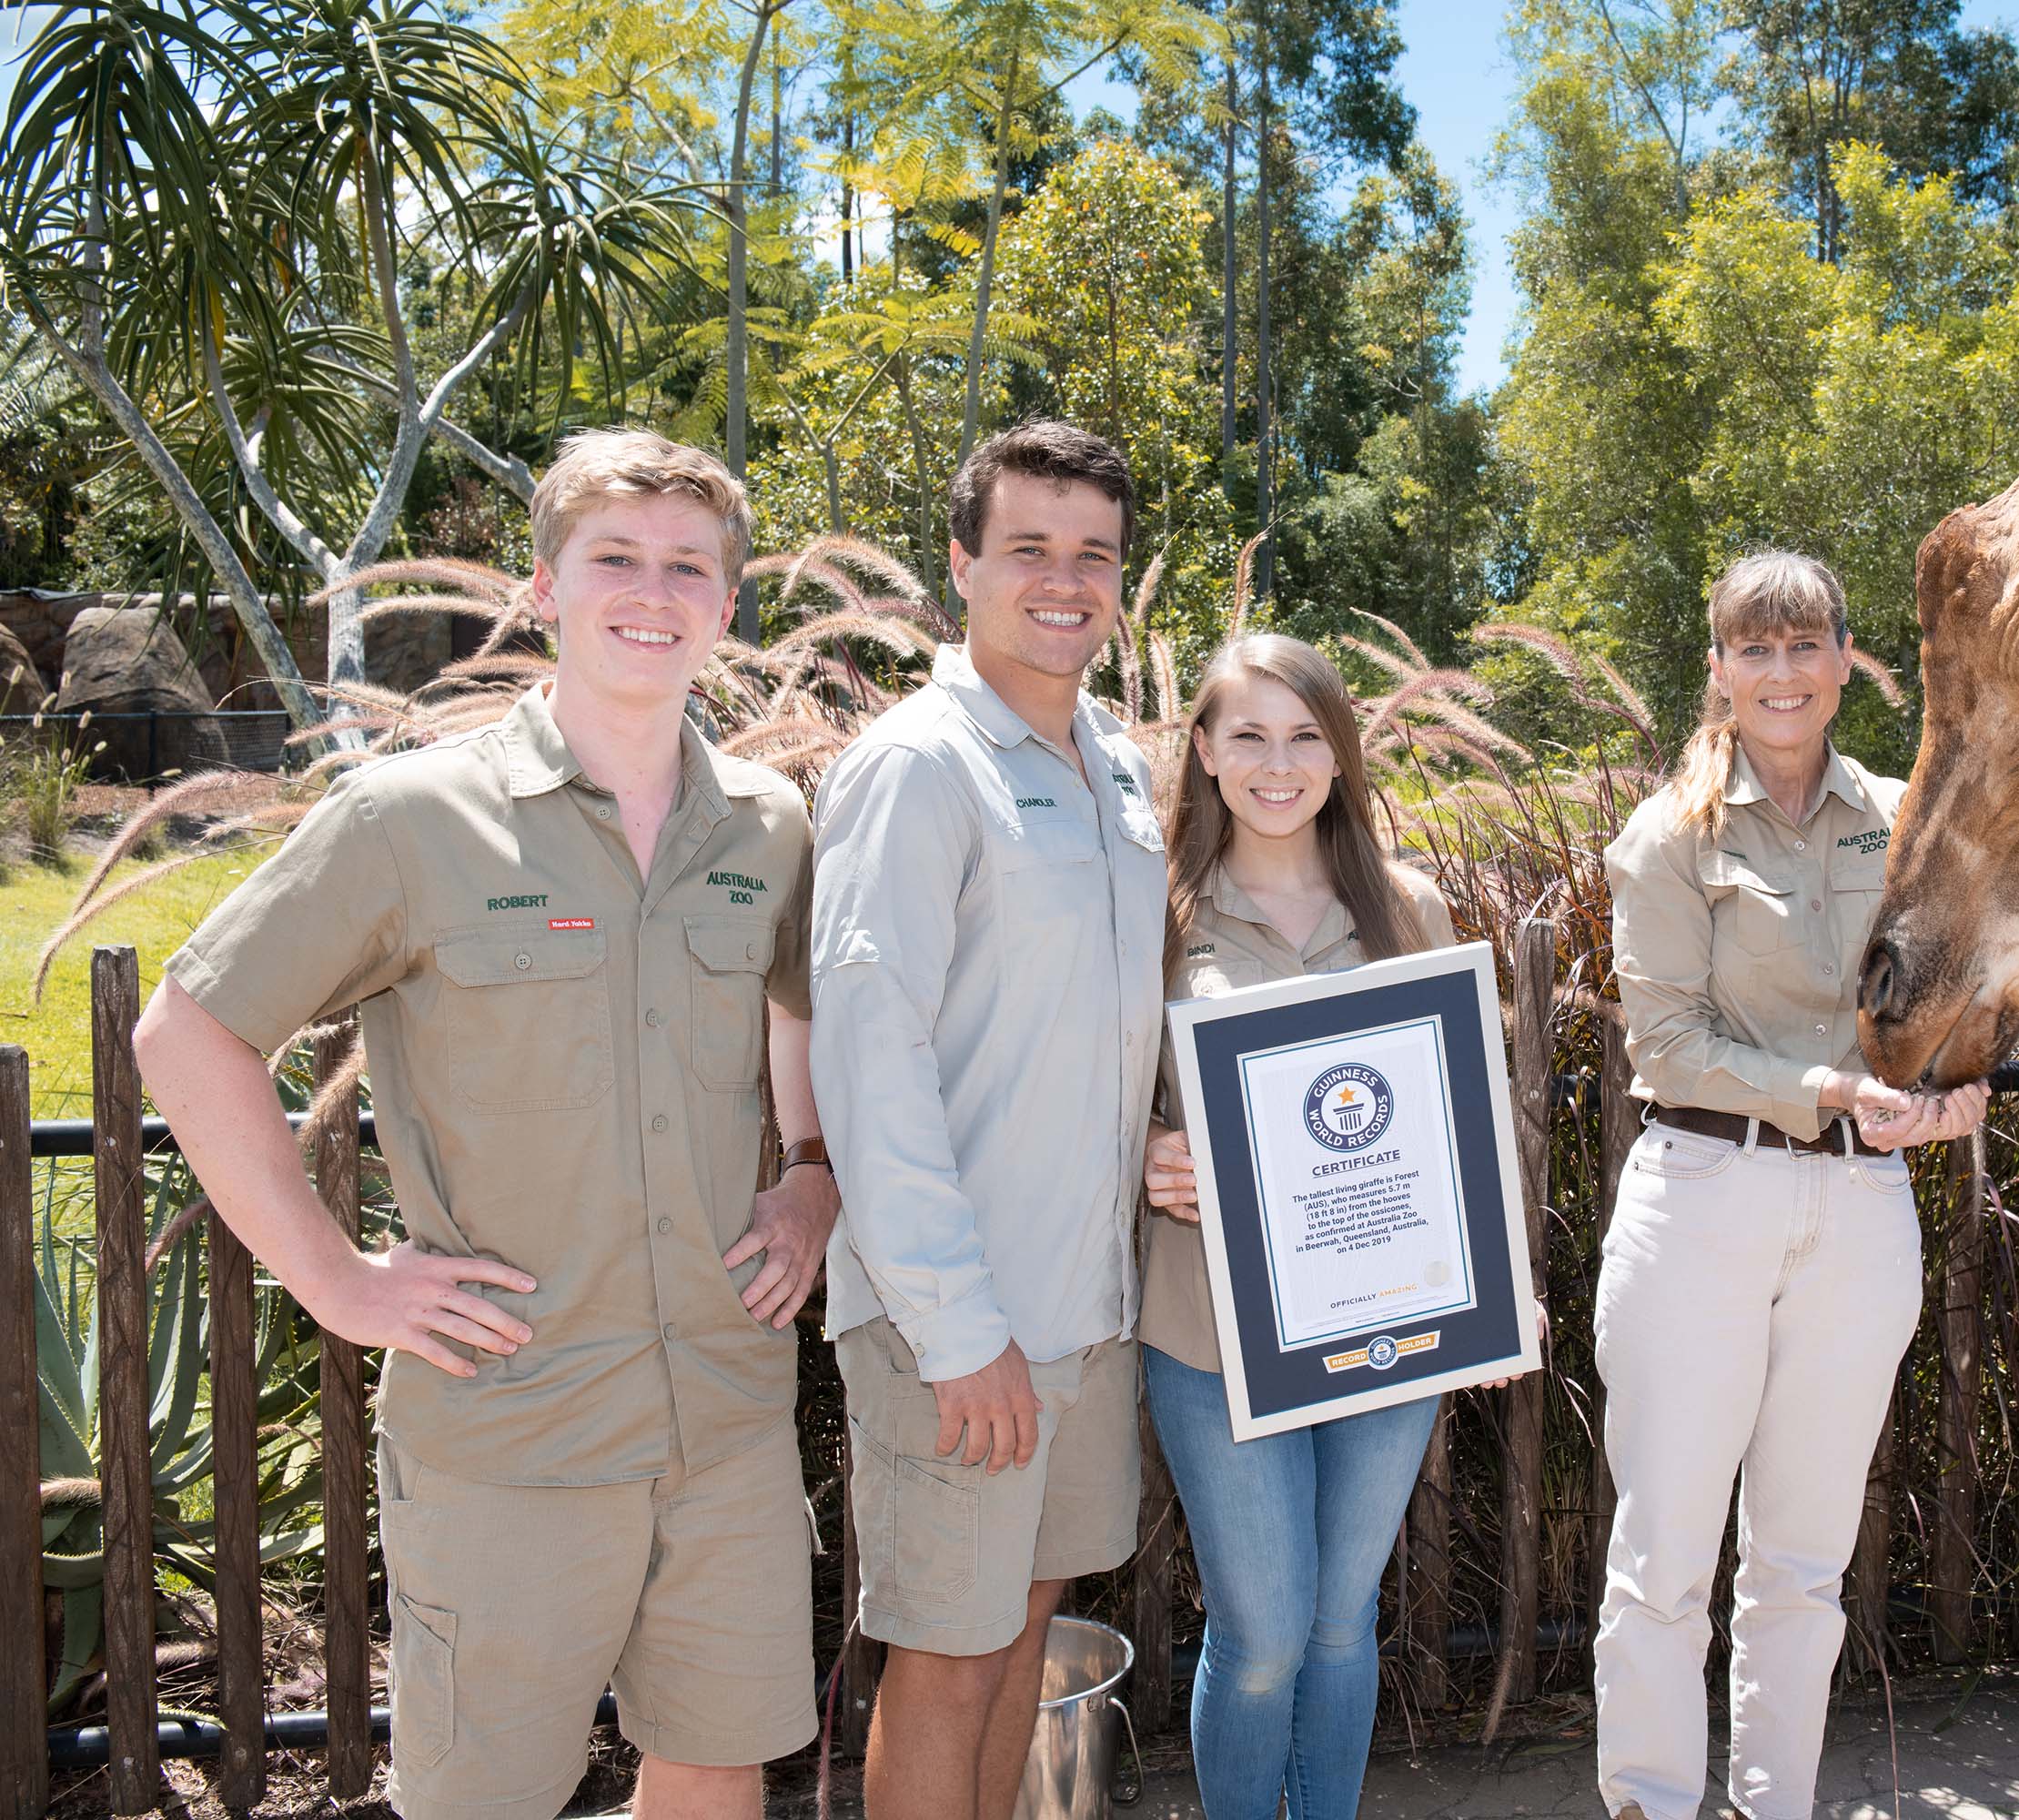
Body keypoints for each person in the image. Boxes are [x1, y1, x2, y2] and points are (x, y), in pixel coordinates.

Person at [133, 430, 835, 1820]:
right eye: (616, 558)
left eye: (690, 566)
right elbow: (188, 1032)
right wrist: (336, 1280)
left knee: (714, 1768)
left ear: (729, 603)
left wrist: (810, 1174)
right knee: (488, 1797)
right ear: (542, 587)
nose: (654, 589)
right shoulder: (411, 819)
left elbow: (798, 1009)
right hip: (513, 1425)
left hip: (725, 1414)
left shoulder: (769, 824)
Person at [1594, 551, 1987, 1820]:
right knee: (1664, 1563)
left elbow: (1947, 983)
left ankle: (1776, 1807)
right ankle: (1653, 1804)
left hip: (1862, 1211)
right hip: (1705, 1197)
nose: (1779, 671)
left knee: (1804, 1565)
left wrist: (1954, 1082)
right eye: (1751, 649)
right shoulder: (1670, 837)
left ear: (1842, 660)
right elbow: (1666, 1045)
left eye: (1801, 644)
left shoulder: (1906, 816)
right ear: (1717, 668)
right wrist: (1827, 1091)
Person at [810, 420, 1166, 1820]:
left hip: (1086, 1308)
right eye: (1029, 548)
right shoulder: (920, 766)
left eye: (1095, 554)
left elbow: (1081, 1030)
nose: (1064, 580)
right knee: (947, 1664)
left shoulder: (1117, 769)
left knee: (1020, 1630)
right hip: (954, 1325)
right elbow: (870, 1057)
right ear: (961, 567)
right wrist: (961, 1334)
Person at [1136, 633, 1482, 1820]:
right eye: (1249, 735)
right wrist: (1144, 1155)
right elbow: (1094, 1100)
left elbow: (1458, 1123)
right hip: (1213, 1335)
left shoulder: (1408, 910)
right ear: (1203, 750)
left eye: (1304, 736)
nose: (1278, 764)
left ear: (1340, 755)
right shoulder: (1157, 918)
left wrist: (1495, 1278)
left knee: (1341, 1628)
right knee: (1266, 1633)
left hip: (1390, 1329)